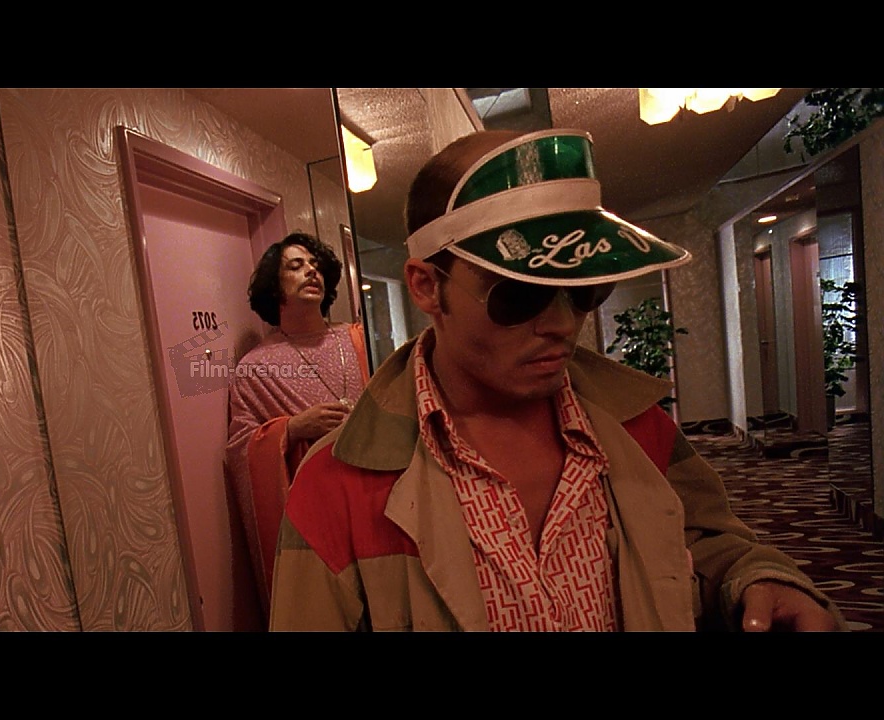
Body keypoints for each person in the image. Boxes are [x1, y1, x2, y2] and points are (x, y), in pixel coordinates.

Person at [269, 128, 846, 631]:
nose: (563, 325)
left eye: (584, 291)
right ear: (426, 286)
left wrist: (758, 577)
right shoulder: (336, 483)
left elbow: (709, 542)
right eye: (519, 295)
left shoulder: (638, 428)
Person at [225, 231, 370, 615]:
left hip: (378, 495)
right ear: (275, 286)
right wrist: (291, 428)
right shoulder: (255, 368)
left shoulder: (358, 339)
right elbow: (241, 448)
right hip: (318, 518)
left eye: (316, 265)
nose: (311, 271)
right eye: (296, 265)